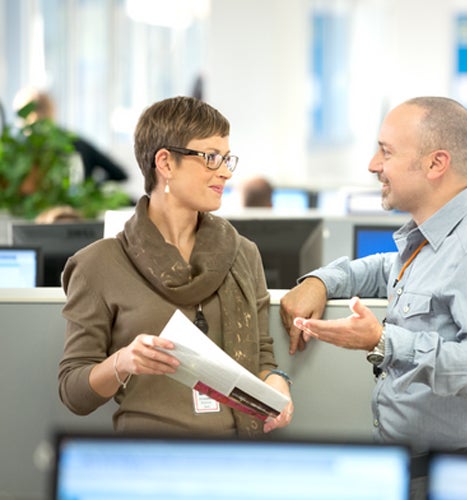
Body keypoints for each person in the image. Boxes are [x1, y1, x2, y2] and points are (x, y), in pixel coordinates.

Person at [279, 96, 467, 498]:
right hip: (415, 469)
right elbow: (383, 269)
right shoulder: (430, 239)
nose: (373, 165)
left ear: (436, 164)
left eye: (386, 151)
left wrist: (384, 343)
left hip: (462, 478)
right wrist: (321, 282)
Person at [58, 96, 293, 437]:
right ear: (165, 163)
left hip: (236, 457)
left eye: (227, 159)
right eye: (211, 158)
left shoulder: (243, 253)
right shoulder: (98, 263)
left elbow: (263, 360)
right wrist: (123, 362)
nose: (225, 172)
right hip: (148, 456)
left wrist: (278, 385)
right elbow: (73, 393)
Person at [13, 87, 129, 183]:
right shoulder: (75, 141)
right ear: (52, 110)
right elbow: (120, 174)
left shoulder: (18, 149)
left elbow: (120, 174)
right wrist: (92, 187)